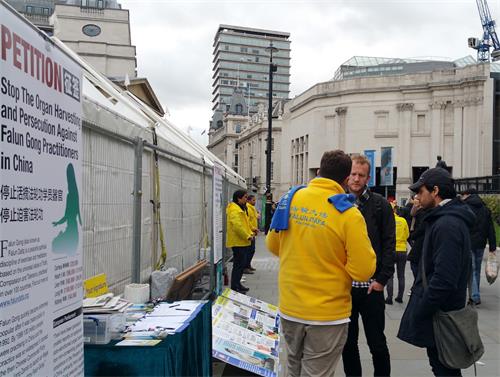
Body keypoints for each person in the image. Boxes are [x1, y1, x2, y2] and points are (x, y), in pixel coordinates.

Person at [266, 150, 376, 377]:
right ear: (346, 180)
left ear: (318, 172)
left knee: (292, 367)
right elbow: (363, 270)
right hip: (327, 313)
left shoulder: (291, 198)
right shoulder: (348, 214)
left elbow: (273, 245)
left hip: (291, 306)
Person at [398, 168, 473, 377]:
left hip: (441, 315)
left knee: (444, 369)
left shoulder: (447, 224)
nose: (417, 197)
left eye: (420, 191)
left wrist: (422, 309)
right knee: (443, 367)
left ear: (435, 191)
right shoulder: (445, 219)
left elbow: (444, 279)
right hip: (442, 312)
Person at [342, 155, 395, 377]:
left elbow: (389, 244)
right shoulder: (338, 203)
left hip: (372, 287)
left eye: (360, 175)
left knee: (377, 343)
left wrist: (382, 280)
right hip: (346, 288)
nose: (356, 179)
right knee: (348, 343)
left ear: (368, 178)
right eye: (353, 174)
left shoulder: (380, 205)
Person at [460, 188, 497, 305]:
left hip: (469, 243)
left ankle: (475, 296)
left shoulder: (465, 207)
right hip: (481, 243)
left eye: (463, 195)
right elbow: (490, 229)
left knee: (472, 269)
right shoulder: (485, 209)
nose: (462, 197)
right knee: (477, 270)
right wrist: (492, 246)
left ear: (468, 195)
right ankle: (475, 292)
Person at [226, 190, 254, 293]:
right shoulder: (235, 210)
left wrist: (252, 229)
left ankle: (237, 284)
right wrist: (247, 236)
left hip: (242, 241)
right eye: (245, 197)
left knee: (240, 264)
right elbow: (237, 226)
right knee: (238, 265)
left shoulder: (239, 208)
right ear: (239, 198)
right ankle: (235, 287)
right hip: (238, 241)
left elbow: (245, 223)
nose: (247, 200)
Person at [386, 204, 410, 304]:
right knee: (401, 275)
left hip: (391, 250)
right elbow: (407, 235)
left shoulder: (387, 221)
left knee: (390, 275)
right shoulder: (403, 220)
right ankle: (399, 297)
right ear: (396, 210)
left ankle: (389, 298)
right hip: (402, 250)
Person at [244, 194, 259, 274]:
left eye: (255, 200)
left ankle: (248, 265)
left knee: (251, 250)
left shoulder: (252, 208)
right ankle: (245, 267)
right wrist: (253, 229)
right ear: (249, 201)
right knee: (250, 250)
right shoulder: (248, 209)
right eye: (253, 200)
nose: (255, 202)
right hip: (249, 232)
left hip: (252, 232)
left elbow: (253, 218)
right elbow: (248, 221)